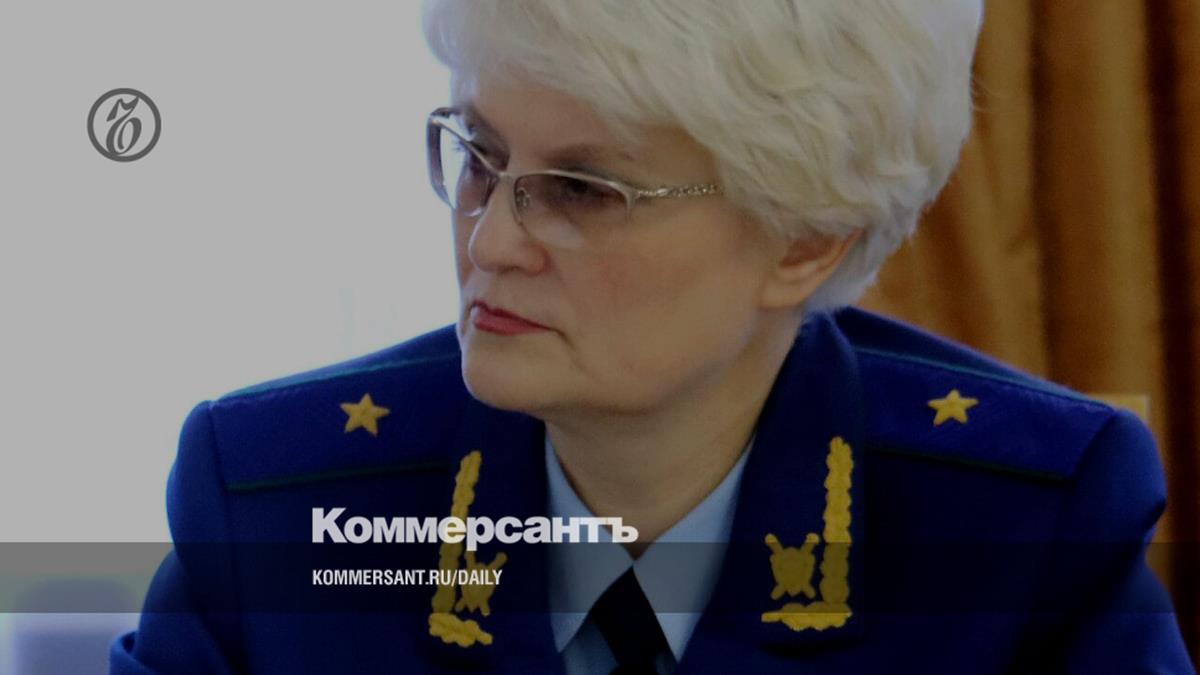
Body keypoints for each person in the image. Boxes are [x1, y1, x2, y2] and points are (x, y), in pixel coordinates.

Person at [110, 1, 1195, 673]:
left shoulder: (1027, 526)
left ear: (805, 239)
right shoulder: (276, 499)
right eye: (479, 153)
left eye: (583, 190)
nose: (491, 240)